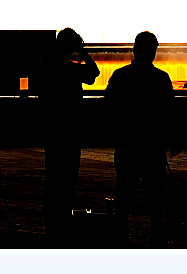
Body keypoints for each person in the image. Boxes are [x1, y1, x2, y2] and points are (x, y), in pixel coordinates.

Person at [105, 31, 172, 247]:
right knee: (156, 193)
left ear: (134, 49)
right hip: (153, 144)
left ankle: (121, 235)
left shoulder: (120, 75)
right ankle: (156, 235)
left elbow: (109, 106)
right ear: (153, 52)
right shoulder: (161, 78)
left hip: (128, 143)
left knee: (124, 191)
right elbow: (168, 112)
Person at [36, 27, 100, 241]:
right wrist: (83, 52)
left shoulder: (48, 67)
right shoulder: (70, 69)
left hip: (52, 128)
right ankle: (63, 217)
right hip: (71, 129)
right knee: (69, 175)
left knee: (52, 174)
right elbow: (94, 73)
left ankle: (51, 223)